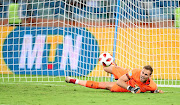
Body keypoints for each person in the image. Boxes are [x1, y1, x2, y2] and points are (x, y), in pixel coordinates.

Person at [65, 63, 163, 93]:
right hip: (127, 77)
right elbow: (121, 80)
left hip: (127, 85)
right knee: (107, 68)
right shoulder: (135, 72)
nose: (142, 75)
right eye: (142, 72)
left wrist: (157, 91)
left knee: (105, 85)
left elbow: (153, 90)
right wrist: (132, 89)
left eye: (146, 75)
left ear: (150, 76)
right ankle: (110, 62)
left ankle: (74, 80)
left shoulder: (153, 86)